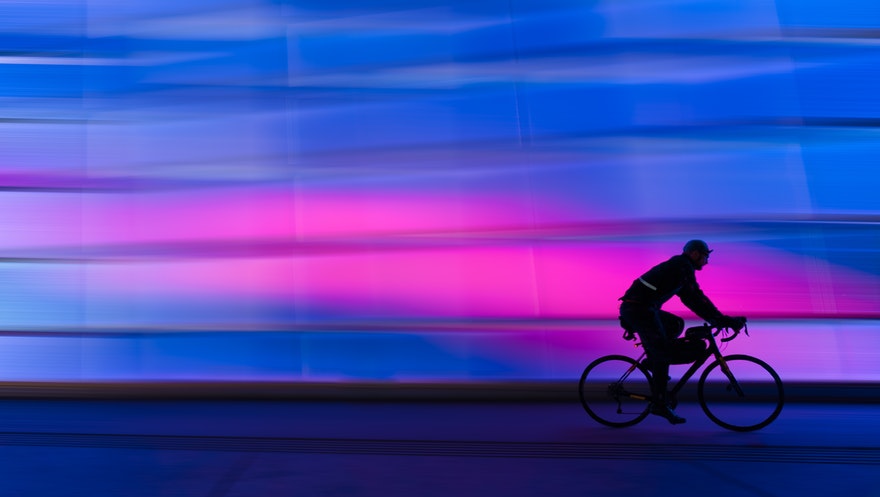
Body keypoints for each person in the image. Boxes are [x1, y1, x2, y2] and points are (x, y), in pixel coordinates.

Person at [618, 240, 746, 425]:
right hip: (639, 310)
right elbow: (694, 298)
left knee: (676, 324)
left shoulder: (680, 266)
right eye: (705, 256)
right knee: (662, 354)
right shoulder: (681, 267)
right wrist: (720, 319)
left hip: (643, 308)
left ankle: (652, 360)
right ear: (695, 254)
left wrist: (718, 319)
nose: (706, 261)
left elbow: (692, 297)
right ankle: (659, 404)